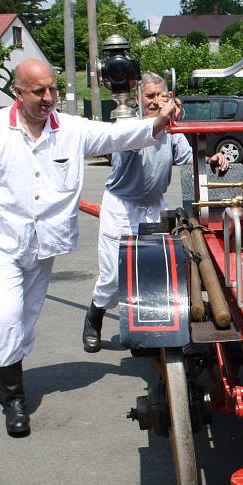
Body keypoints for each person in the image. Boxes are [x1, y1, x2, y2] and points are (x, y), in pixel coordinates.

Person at [0, 59, 181, 438]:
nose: (48, 98)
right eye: (39, 91)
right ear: (18, 93)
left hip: (43, 244)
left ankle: (6, 365)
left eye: (52, 89)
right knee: (7, 315)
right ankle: (14, 398)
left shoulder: (71, 129)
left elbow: (116, 136)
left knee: (25, 318)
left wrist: (159, 122)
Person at [82, 71, 229, 353]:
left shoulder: (171, 130)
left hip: (153, 206)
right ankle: (94, 318)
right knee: (113, 276)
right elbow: (134, 142)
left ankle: (140, 330)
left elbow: (188, 159)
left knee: (150, 273)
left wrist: (213, 157)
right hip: (121, 205)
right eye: (149, 96)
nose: (154, 102)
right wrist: (160, 119)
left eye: (159, 96)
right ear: (139, 97)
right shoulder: (128, 124)